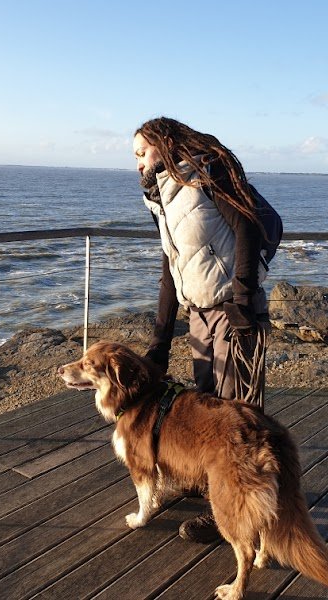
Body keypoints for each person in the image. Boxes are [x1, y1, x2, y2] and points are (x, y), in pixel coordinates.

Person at [133, 116, 272, 543]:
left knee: (239, 416)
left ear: (164, 144)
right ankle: (217, 487)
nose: (137, 163)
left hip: (234, 313)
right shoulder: (161, 197)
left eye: (141, 152)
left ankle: (236, 510)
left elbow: (248, 226)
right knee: (209, 412)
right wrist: (160, 340)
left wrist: (244, 299)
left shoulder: (207, 173)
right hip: (198, 313)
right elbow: (170, 268)